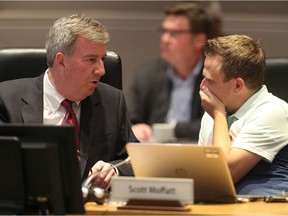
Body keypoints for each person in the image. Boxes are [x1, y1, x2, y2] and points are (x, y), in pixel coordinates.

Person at [0, 14, 138, 189]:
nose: (101, 70)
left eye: (102, 59)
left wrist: (114, 170)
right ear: (61, 61)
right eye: (91, 60)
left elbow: (135, 161)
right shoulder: (5, 99)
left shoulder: (112, 101)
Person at [199, 34, 288, 195]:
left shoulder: (273, 111)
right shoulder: (213, 112)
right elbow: (204, 174)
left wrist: (219, 115)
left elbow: (224, 174)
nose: (202, 86)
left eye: (209, 80)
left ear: (238, 85)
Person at [126, 2, 213, 142]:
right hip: (154, 153)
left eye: (174, 33)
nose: (164, 39)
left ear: (199, 40)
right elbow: (127, 117)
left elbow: (218, 123)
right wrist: (136, 127)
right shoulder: (147, 73)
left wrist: (170, 130)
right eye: (164, 31)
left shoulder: (215, 76)